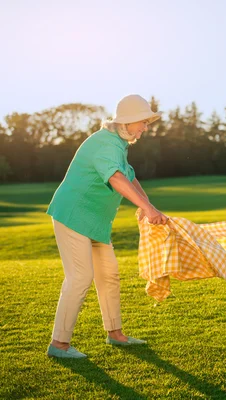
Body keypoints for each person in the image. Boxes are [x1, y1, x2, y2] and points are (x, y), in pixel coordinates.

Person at [46, 94, 169, 358]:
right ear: (128, 122)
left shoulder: (119, 145)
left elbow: (129, 177)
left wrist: (149, 206)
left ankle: (115, 334)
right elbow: (115, 178)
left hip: (95, 221)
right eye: (143, 123)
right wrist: (147, 209)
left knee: (109, 275)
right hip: (73, 216)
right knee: (80, 277)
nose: (145, 128)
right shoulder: (106, 144)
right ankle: (59, 345)